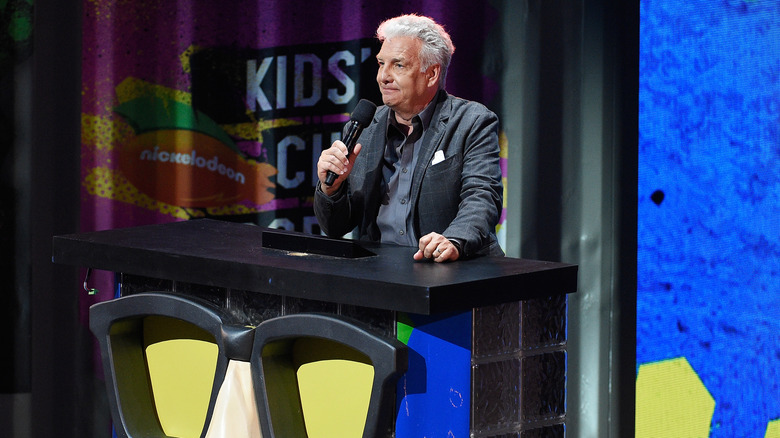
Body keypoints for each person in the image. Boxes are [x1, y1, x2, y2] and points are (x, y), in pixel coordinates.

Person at [314, 13, 503, 262]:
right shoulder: (366, 127)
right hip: (380, 275)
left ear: (432, 74)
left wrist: (454, 240)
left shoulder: (471, 122)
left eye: (398, 65)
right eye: (381, 64)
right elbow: (336, 227)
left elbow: (482, 195)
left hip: (453, 272)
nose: (383, 76)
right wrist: (331, 189)